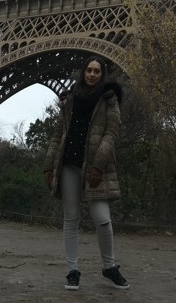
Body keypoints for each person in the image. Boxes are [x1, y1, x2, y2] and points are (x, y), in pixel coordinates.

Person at [43, 55, 130, 290]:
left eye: (97, 71)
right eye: (89, 70)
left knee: (102, 219)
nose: (92, 74)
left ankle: (109, 267)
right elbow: (57, 134)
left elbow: (111, 135)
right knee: (70, 219)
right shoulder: (69, 100)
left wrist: (98, 165)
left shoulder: (109, 100)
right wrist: (49, 165)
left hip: (95, 167)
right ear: (83, 73)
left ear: (102, 75)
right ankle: (72, 270)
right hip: (69, 164)